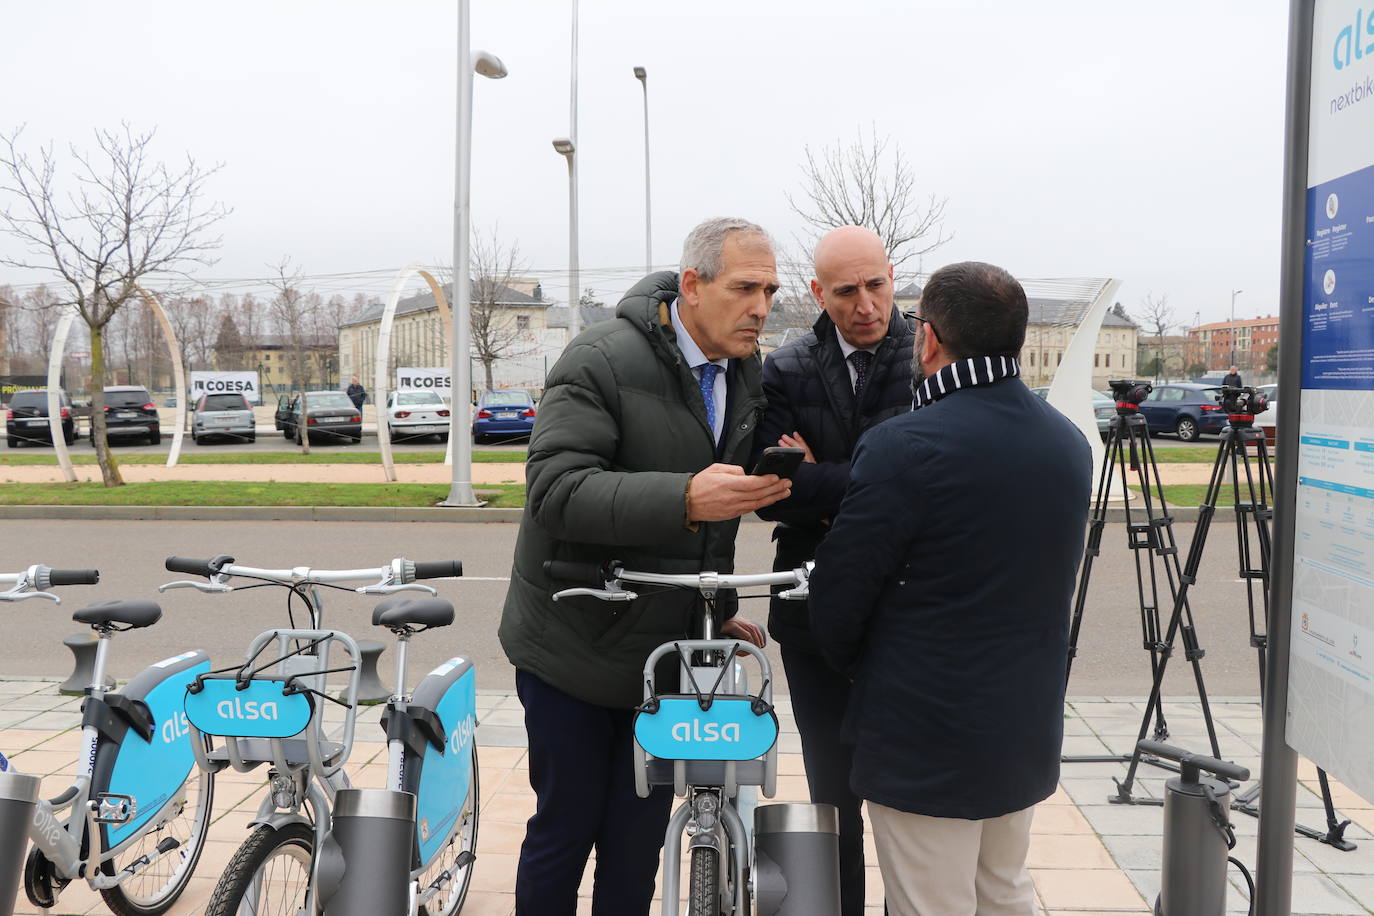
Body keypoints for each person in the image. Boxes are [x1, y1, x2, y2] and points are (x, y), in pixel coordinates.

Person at [499, 217, 791, 915]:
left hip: (661, 659)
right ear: (691, 285)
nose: (761, 307)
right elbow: (555, 492)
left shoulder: (743, 371)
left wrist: (718, 610)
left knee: (636, 842)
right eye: (746, 287)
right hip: (571, 642)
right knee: (566, 830)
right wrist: (685, 496)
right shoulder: (598, 358)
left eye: (771, 290)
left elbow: (714, 520)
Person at [809, 261, 1092, 915]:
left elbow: (838, 602)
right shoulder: (1068, 443)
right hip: (1022, 728)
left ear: (928, 338)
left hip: (924, 736)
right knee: (1004, 891)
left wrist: (873, 669)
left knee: (928, 903)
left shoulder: (903, 446)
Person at [751, 224, 913, 915]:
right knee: (832, 794)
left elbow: (923, 490)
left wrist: (821, 479)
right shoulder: (784, 368)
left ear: (892, 277)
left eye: (875, 285)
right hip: (808, 606)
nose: (865, 305)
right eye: (845, 291)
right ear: (818, 292)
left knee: (910, 798)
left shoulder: (930, 357)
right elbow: (769, 493)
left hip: (905, 608)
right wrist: (867, 485)